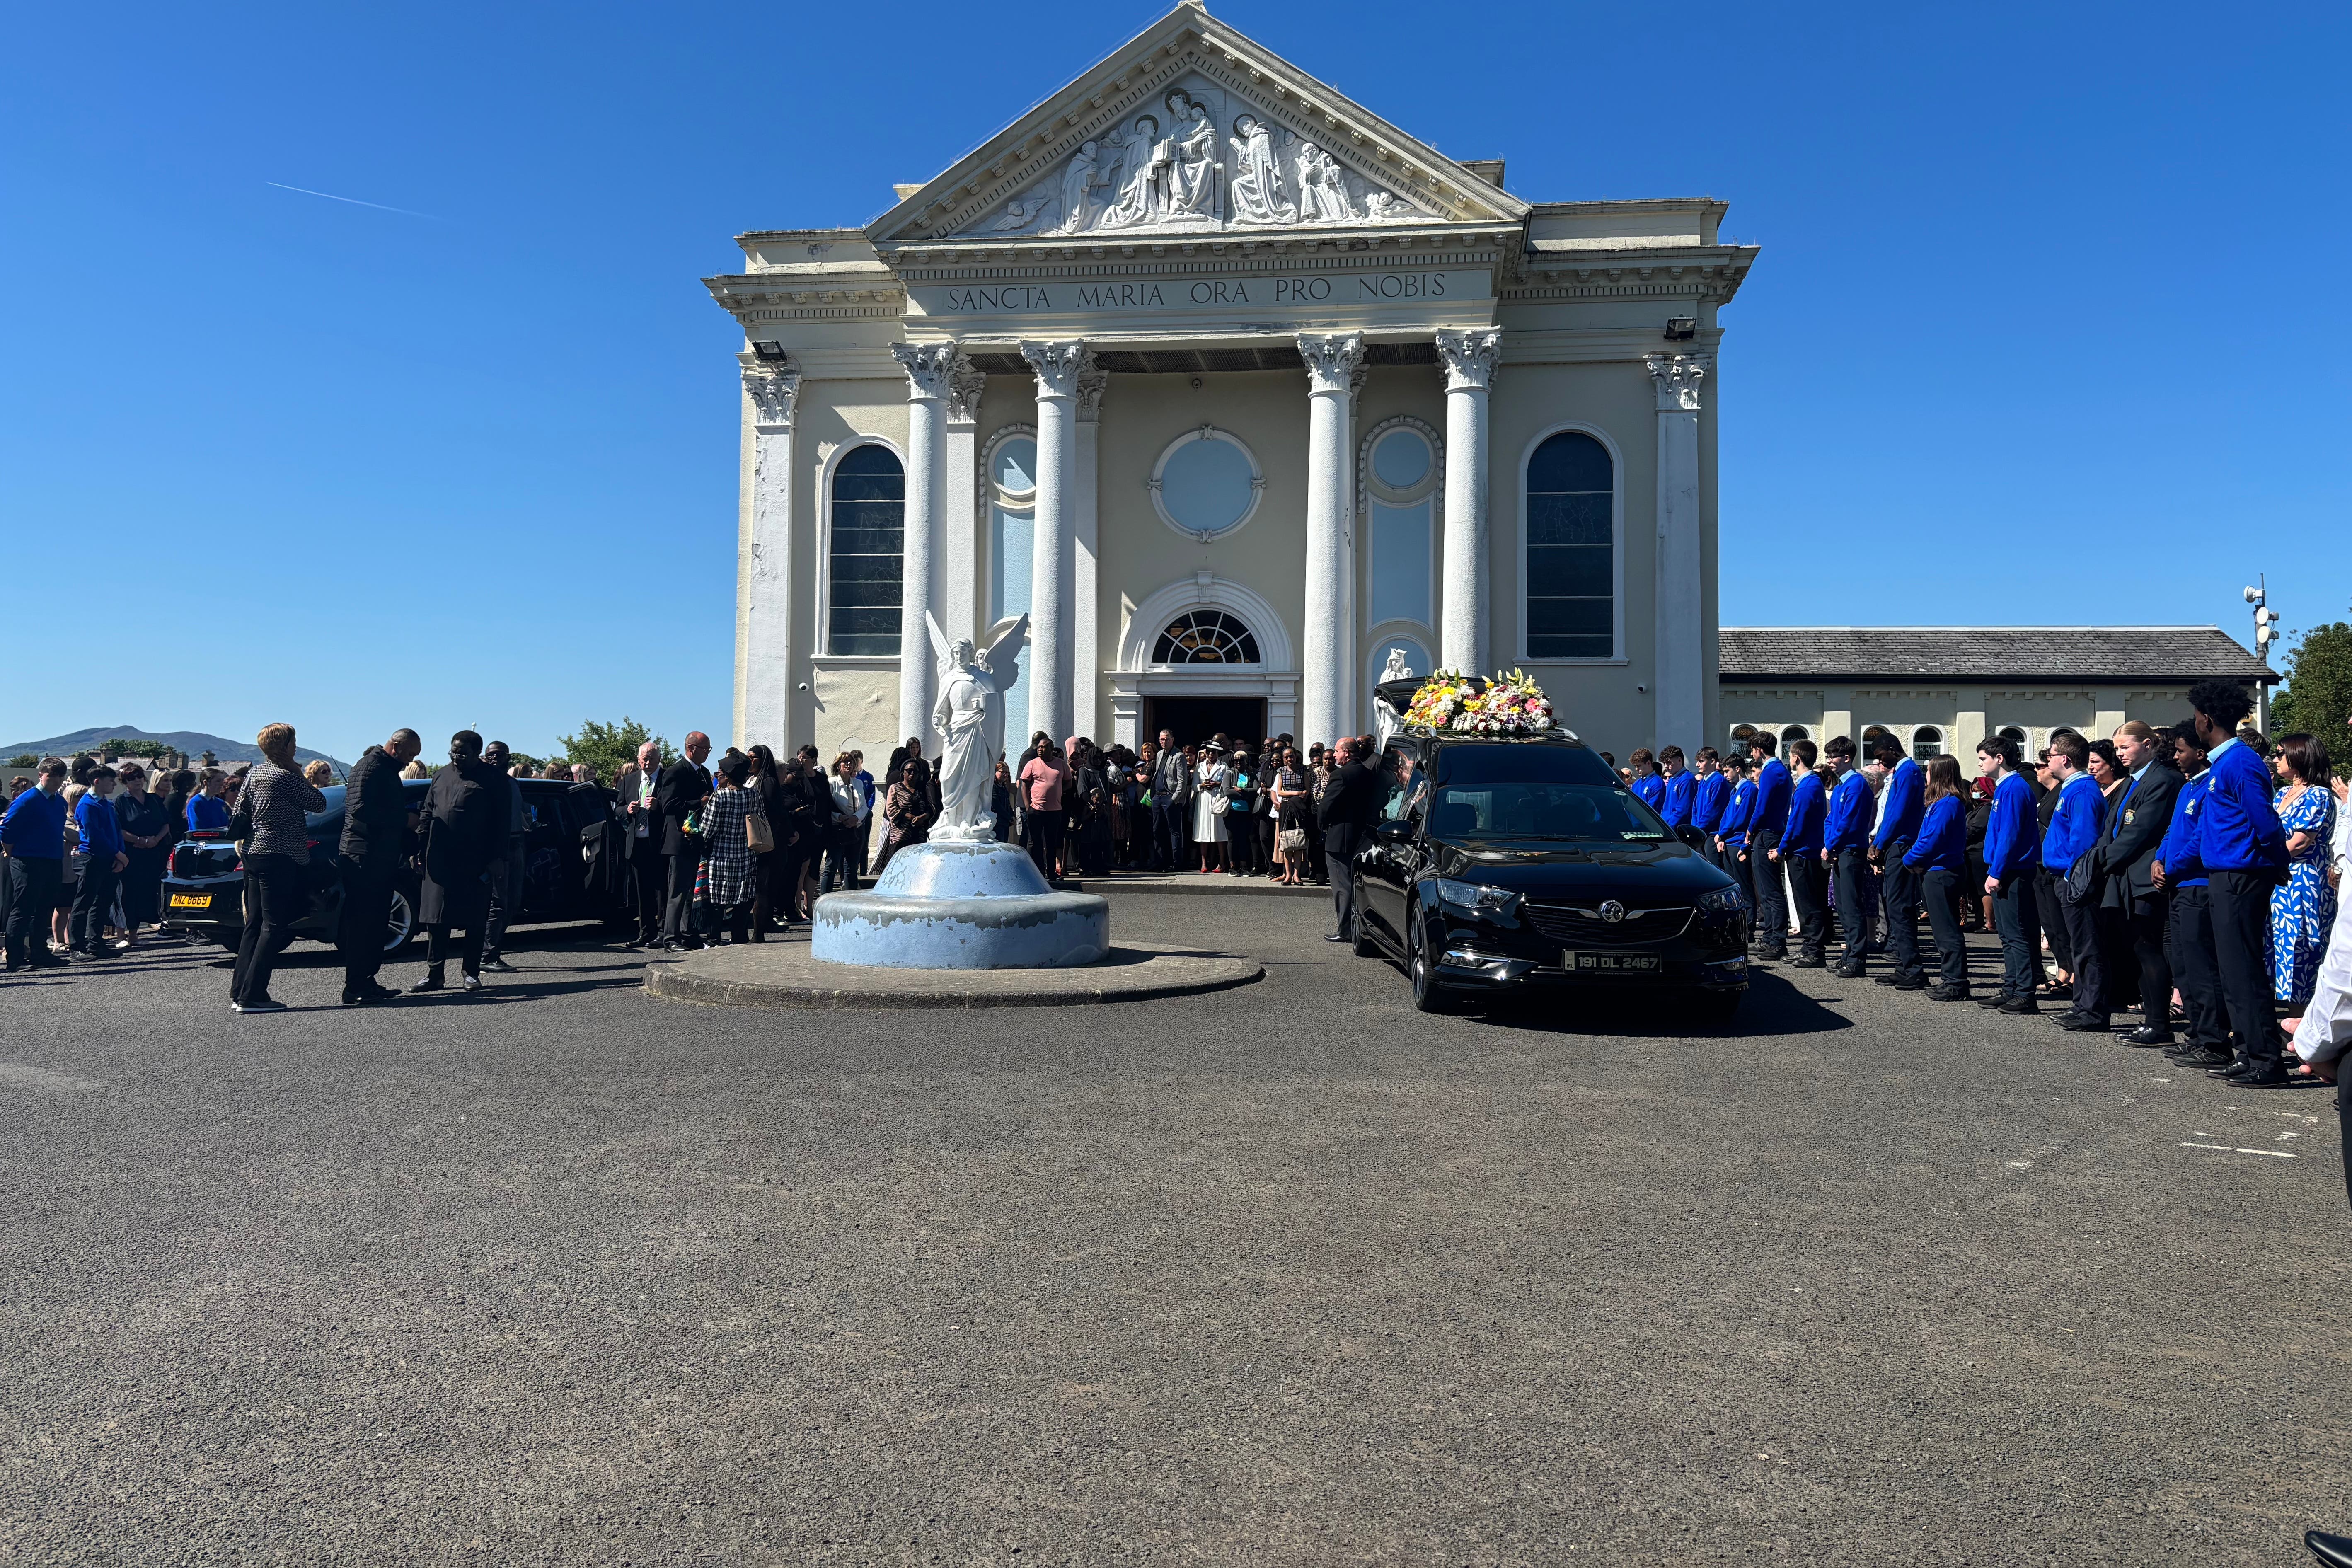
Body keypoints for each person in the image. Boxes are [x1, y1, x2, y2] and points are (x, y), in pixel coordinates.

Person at [2181, 682, 2291, 1086]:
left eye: (2198, 716)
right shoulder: (2223, 763)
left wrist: (2277, 863)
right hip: (2224, 874)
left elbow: (2265, 820)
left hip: (2241, 875)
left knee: (2244, 969)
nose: (2196, 722)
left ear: (2207, 720)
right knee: (2231, 970)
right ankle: (2247, 1051)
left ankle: (2266, 1060)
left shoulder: (2241, 761)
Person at [2092, 720, 2184, 1046]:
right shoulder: (2132, 781)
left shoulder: (2163, 780)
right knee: (2136, 948)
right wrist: (2098, 857)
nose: (2120, 754)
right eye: (2117, 748)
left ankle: (2159, 1024)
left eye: (2126, 747)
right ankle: (2152, 1022)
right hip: (2125, 876)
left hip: (2145, 877)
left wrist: (2100, 863)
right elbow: (2113, 826)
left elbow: (2141, 832)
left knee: (2148, 948)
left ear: (2147, 745)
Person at [228, 724, 327, 1012]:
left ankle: (240, 991)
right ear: (285, 746)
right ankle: (253, 996)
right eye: (293, 742)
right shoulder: (285, 777)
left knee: (254, 924)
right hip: (280, 853)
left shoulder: (255, 773)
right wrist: (298, 772)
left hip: (253, 851)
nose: (296, 746)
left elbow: (240, 809)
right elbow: (319, 803)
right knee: (274, 925)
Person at [2151, 723, 2228, 1069]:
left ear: (2199, 753)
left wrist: (2174, 866)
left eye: (2181, 751)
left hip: (2196, 883)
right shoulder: (2187, 788)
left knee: (2202, 968)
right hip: (2177, 884)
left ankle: (2215, 1041)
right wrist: (2159, 860)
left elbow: (2200, 837)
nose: (2176, 756)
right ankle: (2197, 1033)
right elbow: (2172, 831)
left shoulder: (2210, 786)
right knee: (2182, 965)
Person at [416, 731, 504, 992]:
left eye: (463, 754)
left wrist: (497, 857)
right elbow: (427, 812)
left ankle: (471, 973)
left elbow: (501, 822)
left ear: (477, 753)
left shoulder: (493, 779)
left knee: (475, 918)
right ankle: (435, 975)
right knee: (436, 918)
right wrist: (418, 848)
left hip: (476, 859)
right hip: (439, 858)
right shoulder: (441, 775)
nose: (456, 757)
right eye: (453, 752)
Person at [338, 728, 421, 1005]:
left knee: (375, 923)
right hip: (364, 856)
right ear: (395, 747)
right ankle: (356, 986)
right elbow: (360, 809)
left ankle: (366, 980)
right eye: (410, 754)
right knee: (364, 923)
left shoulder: (382, 769)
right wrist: (404, 820)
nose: (411, 761)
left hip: (378, 856)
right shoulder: (370, 767)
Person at [2040, 733, 2110, 1033]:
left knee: (2087, 946)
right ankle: (2082, 1005)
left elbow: (2083, 841)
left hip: (2076, 881)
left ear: (2065, 759)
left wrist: (2073, 877)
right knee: (2078, 944)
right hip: (2065, 877)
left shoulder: (2082, 791)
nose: (2048, 761)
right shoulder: (2072, 788)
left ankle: (2093, 1010)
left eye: (2051, 755)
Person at [2271, 733, 2337, 1009]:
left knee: (2301, 944)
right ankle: (2286, 1015)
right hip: (2277, 878)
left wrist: (2262, 860)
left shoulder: (2318, 795)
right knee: (2279, 944)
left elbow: (2300, 842)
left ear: (2299, 756)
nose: (2275, 759)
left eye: (2280, 754)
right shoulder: (2281, 794)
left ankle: (2302, 1016)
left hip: (2302, 880)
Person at [1979, 733, 2044, 1013]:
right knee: (2007, 935)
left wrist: (1997, 871)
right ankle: (2012, 987)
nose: (1980, 764)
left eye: (1983, 758)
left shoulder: (2014, 788)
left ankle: (2025, 993)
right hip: (2005, 869)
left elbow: (2010, 835)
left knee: (2017, 934)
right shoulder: (2004, 788)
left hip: (2014, 871)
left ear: (1999, 758)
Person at [1904, 755, 1972, 1001]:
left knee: (1947, 930)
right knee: (1942, 929)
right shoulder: (1942, 802)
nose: (1926, 775)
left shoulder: (1947, 804)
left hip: (1942, 871)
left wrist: (1909, 859)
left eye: (1929, 770)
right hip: (1937, 869)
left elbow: (1931, 839)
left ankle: (1955, 983)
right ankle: (1951, 979)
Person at [1868, 737, 1925, 990]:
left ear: (1893, 751)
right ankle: (1903, 965)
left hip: (1901, 844)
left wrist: (1880, 843)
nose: (1880, 760)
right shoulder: (1902, 772)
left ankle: (1913, 969)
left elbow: (1897, 813)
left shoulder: (1908, 771)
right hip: (1894, 843)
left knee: (1900, 908)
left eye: (1882, 755)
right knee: (1894, 907)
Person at [2, 762, 70, 971]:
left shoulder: (60, 802)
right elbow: (6, 831)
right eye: (52, 775)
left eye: (61, 776)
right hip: (28, 861)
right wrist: (13, 853)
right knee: (23, 909)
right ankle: (15, 958)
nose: (57, 780)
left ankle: (40, 953)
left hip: (52, 860)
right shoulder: (27, 800)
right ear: (41, 775)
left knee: (45, 909)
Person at [1318, 737, 1383, 942]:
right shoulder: (1369, 774)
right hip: (1363, 836)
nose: (1334, 755)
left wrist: (1322, 825)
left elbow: (1326, 806)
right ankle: (1361, 926)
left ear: (1346, 753)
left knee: (1342, 885)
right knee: (1358, 884)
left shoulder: (1340, 775)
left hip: (1339, 837)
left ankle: (1345, 930)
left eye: (1337, 751)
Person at [1820, 737, 1875, 977]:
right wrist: (1829, 844)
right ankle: (1849, 954)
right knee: (1842, 906)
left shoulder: (1856, 784)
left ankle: (1857, 959)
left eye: (1833, 756)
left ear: (1847, 758)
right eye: (1828, 756)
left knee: (1852, 906)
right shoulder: (1841, 785)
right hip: (1840, 849)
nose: (1829, 761)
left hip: (1851, 850)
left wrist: (1831, 845)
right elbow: (1831, 819)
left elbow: (1848, 822)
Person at [656, 732, 714, 951]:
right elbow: (668, 805)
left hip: (697, 839)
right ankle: (671, 938)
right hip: (680, 840)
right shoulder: (676, 771)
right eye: (705, 749)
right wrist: (698, 802)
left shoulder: (704, 772)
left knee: (693, 891)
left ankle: (690, 935)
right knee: (677, 892)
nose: (708, 754)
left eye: (709, 749)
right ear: (691, 748)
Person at [1774, 740, 1828, 966]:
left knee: (1809, 904)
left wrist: (1781, 848)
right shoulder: (1811, 784)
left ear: (1796, 758)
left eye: (1790, 756)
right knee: (1804, 903)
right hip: (1804, 851)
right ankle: (1809, 947)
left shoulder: (1807, 787)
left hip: (1804, 853)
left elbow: (1796, 824)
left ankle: (1815, 950)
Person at [695, 755, 760, 944]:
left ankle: (714, 938)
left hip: (722, 856)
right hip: (747, 855)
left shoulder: (720, 796)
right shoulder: (753, 795)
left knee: (718, 900)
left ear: (729, 776)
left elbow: (707, 829)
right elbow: (759, 820)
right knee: (743, 898)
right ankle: (739, 936)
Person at [477, 742, 530, 973]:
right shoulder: (483, 783)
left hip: (517, 844)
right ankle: (487, 955)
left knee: (512, 902)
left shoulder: (513, 783)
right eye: (490, 755)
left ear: (508, 757)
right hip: (496, 848)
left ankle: (493, 948)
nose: (494, 758)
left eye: (499, 755)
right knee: (497, 903)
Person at [110, 762, 173, 949]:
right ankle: (121, 936)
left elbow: (166, 824)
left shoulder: (153, 799)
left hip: (154, 854)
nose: (137, 781)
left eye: (139, 777)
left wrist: (155, 840)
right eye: (131, 778)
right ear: (124, 782)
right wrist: (140, 840)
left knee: (146, 893)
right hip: (132, 855)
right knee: (128, 894)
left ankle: (134, 935)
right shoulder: (121, 802)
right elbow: (118, 829)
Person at [68, 765, 128, 961]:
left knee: (102, 903)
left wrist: (119, 855)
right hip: (92, 858)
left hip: (110, 858)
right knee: (84, 902)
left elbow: (116, 831)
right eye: (110, 781)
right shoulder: (88, 805)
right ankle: (77, 947)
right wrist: (118, 854)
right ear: (97, 781)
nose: (114, 784)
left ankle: (96, 943)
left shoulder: (107, 804)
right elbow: (94, 836)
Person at [613, 740, 666, 949]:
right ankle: (646, 933)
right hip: (637, 843)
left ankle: (662, 933)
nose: (648, 763)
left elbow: (674, 807)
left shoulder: (666, 778)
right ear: (638, 760)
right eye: (644, 759)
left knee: (661, 891)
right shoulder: (629, 780)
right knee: (642, 891)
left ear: (659, 759)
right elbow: (617, 809)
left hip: (659, 843)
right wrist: (628, 810)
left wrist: (658, 806)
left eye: (652, 759)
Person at [1744, 733, 1792, 958]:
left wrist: (1750, 829)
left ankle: (1777, 940)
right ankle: (1770, 937)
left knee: (1771, 891)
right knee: (1765, 890)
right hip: (1773, 831)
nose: (1752, 754)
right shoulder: (1780, 770)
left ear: (1760, 750)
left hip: (1767, 833)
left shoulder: (1770, 772)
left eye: (1753, 749)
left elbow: (1761, 806)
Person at [1714, 754, 1755, 939]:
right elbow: (1727, 815)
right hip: (1729, 841)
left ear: (1737, 769)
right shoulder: (1735, 791)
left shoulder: (1749, 790)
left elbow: (1741, 818)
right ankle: (1735, 925)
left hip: (1738, 842)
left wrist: (1723, 833)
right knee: (1733, 887)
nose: (1725, 776)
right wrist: (1722, 835)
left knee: (1744, 886)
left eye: (1727, 771)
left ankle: (1749, 926)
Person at [1018, 741, 1067, 878]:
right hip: (1036, 810)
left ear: (1051, 749)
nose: (1040, 749)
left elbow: (1068, 782)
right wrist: (1028, 806)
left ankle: (1051, 872)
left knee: (1052, 843)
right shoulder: (1032, 764)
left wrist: (1057, 791)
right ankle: (1038, 872)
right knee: (1035, 842)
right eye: (1039, 747)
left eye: (1043, 747)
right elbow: (1024, 785)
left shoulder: (1061, 764)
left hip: (1055, 811)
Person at [823, 751, 868, 892]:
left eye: (851, 762)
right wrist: (840, 818)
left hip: (856, 828)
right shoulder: (832, 783)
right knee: (832, 866)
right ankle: (824, 898)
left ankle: (851, 898)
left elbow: (864, 807)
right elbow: (827, 807)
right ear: (838, 765)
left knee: (852, 868)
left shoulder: (858, 783)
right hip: (838, 829)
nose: (848, 765)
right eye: (845, 762)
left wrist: (856, 818)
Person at [881, 757, 937, 871]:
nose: (912, 773)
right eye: (909, 771)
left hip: (919, 836)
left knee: (916, 868)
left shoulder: (923, 789)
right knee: (899, 869)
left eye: (915, 771)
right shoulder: (896, 788)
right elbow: (891, 809)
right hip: (901, 837)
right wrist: (910, 817)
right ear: (903, 773)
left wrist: (923, 818)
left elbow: (931, 808)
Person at [1149, 731, 1190, 872]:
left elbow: (1182, 781)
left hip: (1170, 797)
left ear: (1172, 739)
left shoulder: (1179, 756)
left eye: (1167, 739)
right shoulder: (1160, 754)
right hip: (1158, 796)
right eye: (1162, 739)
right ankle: (1160, 861)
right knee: (1157, 830)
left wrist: (1175, 799)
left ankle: (1176, 863)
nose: (1164, 742)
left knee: (1174, 831)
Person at [1270, 746, 1310, 886]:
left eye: (1291, 756)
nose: (1289, 759)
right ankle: (1288, 875)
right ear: (1283, 759)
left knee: (1299, 841)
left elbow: (1307, 790)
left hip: (1299, 808)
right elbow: (1280, 792)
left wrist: (1300, 796)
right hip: (1286, 808)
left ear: (1295, 756)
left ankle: (1297, 875)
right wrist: (1297, 794)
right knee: (1287, 841)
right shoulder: (1281, 771)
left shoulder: (1303, 770)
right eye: (1286, 757)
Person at [1691, 748, 1730, 869]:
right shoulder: (1703, 782)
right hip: (1701, 834)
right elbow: (1695, 807)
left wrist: (1699, 828)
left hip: (1712, 834)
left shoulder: (1718, 781)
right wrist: (1694, 828)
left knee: (1715, 868)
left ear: (1713, 761)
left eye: (1701, 761)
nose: (1698, 765)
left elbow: (1714, 810)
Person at [1658, 746, 1696, 845]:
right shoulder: (1672, 780)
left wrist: (1669, 828)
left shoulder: (1687, 780)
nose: (1666, 766)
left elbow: (1683, 810)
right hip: (1668, 828)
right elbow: (1666, 807)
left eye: (1669, 763)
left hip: (1678, 832)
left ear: (1680, 760)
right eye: (1665, 763)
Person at [1628, 748, 1664, 812]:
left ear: (1649, 763)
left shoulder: (1657, 783)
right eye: (1635, 766)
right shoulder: (1636, 784)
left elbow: (1651, 811)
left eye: (1639, 766)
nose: (1636, 769)